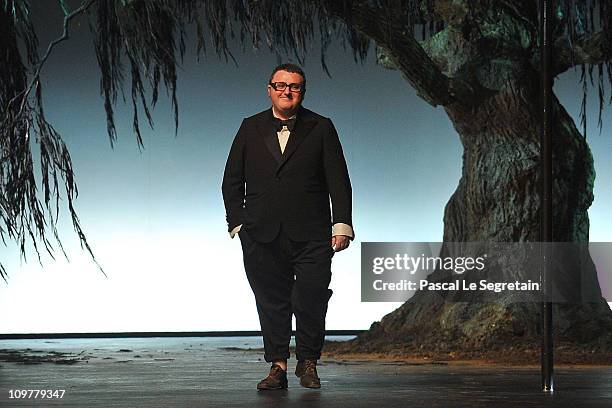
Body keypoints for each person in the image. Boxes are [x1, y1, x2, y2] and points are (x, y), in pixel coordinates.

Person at [222, 63, 354, 390]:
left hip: (312, 234)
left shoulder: (320, 127)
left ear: (302, 92)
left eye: (294, 86)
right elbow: (231, 181)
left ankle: (308, 361)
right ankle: (278, 366)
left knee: (311, 297)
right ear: (269, 89)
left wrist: (342, 225)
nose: (286, 91)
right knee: (271, 301)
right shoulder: (250, 127)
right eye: (280, 85)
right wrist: (238, 223)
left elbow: (339, 181)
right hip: (261, 234)